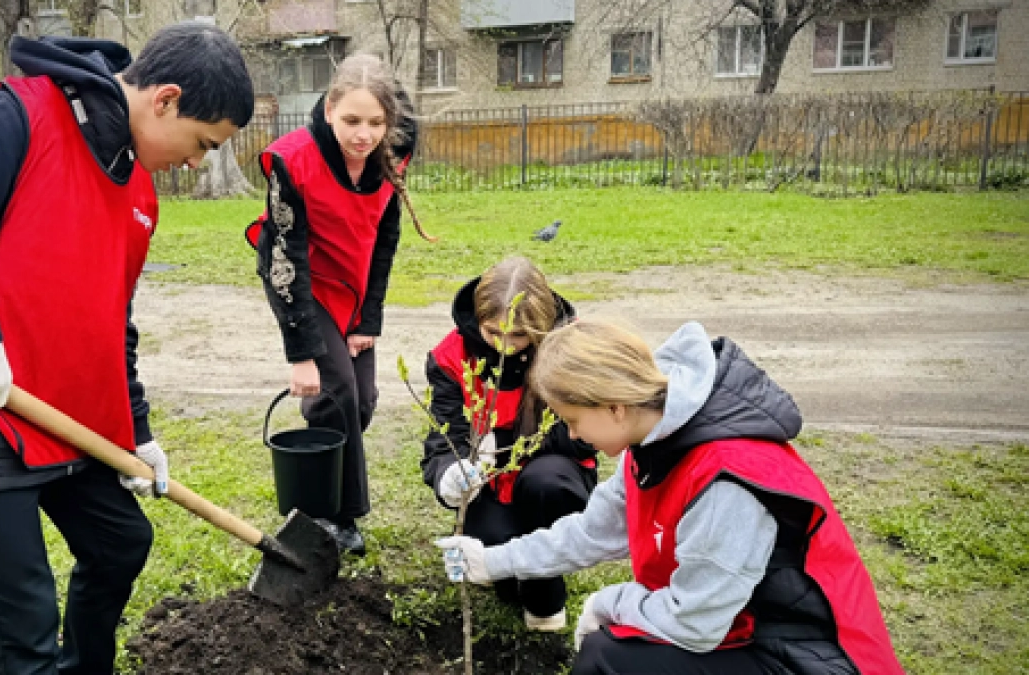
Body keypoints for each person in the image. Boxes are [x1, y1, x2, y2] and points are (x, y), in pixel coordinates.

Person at [0, 23, 253, 674]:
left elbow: (110, 318)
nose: (197, 163)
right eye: (203, 143)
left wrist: (137, 432)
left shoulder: (138, 185)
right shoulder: (18, 118)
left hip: (65, 411)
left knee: (121, 542)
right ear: (167, 100)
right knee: (25, 634)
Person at [437, 321, 905, 675]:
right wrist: (492, 561)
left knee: (608, 660)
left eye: (572, 418)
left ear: (615, 408)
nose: (572, 433)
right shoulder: (650, 439)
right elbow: (590, 533)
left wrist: (612, 601)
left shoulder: (724, 480)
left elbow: (695, 623)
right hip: (738, 626)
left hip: (803, 654)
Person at [247, 53, 428, 556]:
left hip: (354, 295)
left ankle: (321, 436)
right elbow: (284, 258)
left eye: (375, 122)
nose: (363, 135)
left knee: (359, 402)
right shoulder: (292, 160)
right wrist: (302, 352)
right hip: (305, 289)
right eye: (351, 120)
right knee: (341, 394)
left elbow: (384, 239)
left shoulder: (391, 156)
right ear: (328, 110)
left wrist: (368, 317)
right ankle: (339, 519)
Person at [422, 256, 597, 631]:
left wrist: (503, 441)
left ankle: (546, 596)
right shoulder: (452, 357)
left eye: (519, 336)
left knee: (547, 486)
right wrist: (449, 475)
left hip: (552, 472)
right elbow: (445, 437)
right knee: (495, 561)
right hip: (489, 483)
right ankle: (507, 567)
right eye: (494, 333)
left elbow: (582, 441)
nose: (507, 347)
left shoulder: (570, 347)